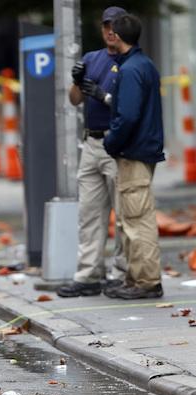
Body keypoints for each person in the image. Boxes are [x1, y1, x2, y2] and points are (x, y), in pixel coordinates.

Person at [57, 6, 128, 298]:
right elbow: (74, 100)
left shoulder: (131, 62)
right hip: (91, 143)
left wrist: (103, 95)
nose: (110, 31)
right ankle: (89, 274)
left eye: (115, 26)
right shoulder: (92, 58)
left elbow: (130, 107)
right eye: (106, 26)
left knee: (123, 214)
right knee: (89, 213)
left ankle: (122, 272)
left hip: (117, 143)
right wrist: (77, 82)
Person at [99, 14, 164, 299]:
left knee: (137, 221)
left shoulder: (130, 70)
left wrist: (111, 142)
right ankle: (135, 277)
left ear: (117, 34)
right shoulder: (143, 64)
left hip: (133, 152)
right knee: (129, 219)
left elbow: (127, 116)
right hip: (141, 150)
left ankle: (147, 281)